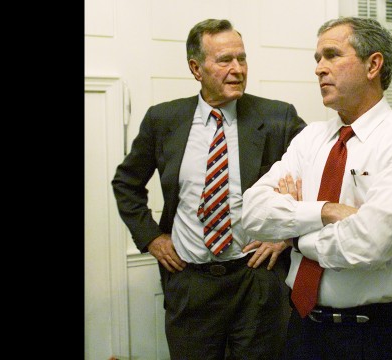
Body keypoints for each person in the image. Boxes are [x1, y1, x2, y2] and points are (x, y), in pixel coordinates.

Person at [242, 17, 392, 359]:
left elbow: (370, 244)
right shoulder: (309, 139)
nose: (320, 69)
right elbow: (252, 213)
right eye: (317, 59)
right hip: (304, 330)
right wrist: (325, 211)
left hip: (379, 336)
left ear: (373, 65)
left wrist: (292, 234)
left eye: (332, 55)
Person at [111, 19, 306, 360]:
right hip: (191, 283)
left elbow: (317, 176)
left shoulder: (277, 117)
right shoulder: (163, 120)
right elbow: (126, 183)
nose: (238, 69)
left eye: (242, 59)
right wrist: (153, 238)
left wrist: (285, 236)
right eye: (225, 60)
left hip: (255, 281)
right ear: (196, 68)